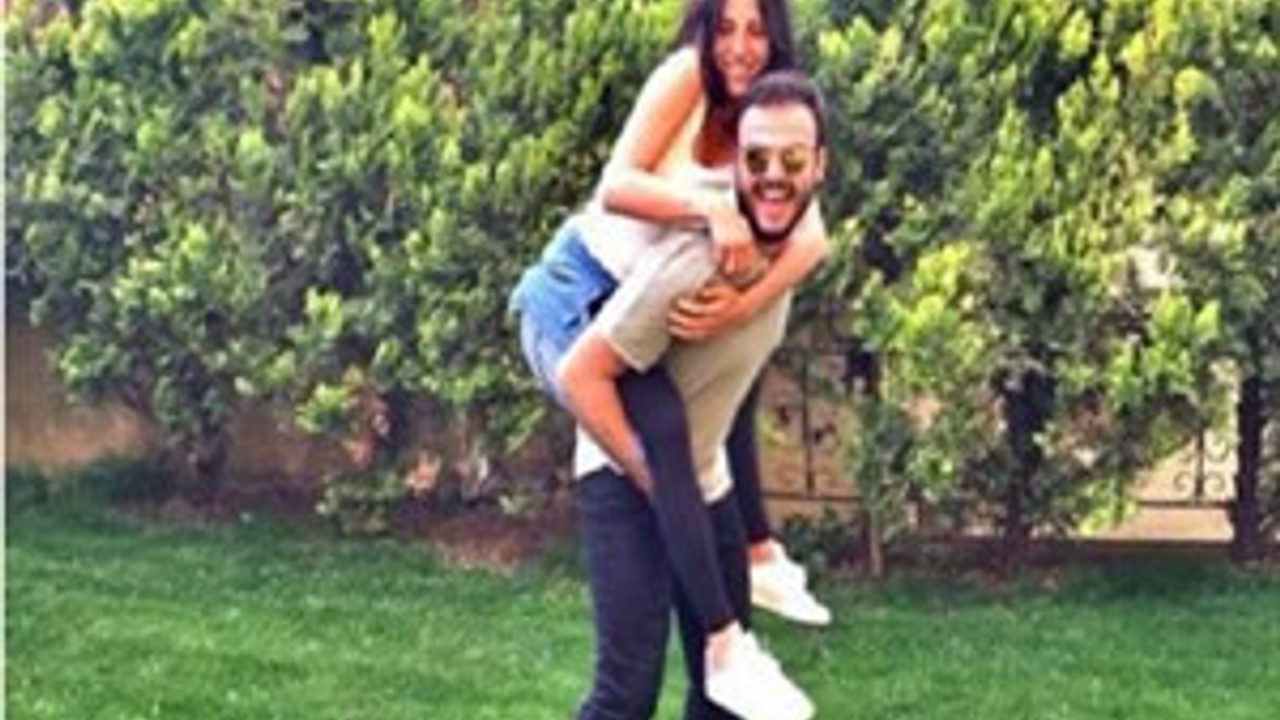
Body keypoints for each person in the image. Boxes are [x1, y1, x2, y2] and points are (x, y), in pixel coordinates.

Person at [514, 0, 829, 634]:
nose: (739, 47)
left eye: (756, 31)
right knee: (662, 452)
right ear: (704, 29)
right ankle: (719, 617)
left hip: (641, 302)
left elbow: (812, 240)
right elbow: (616, 186)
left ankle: (754, 556)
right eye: (726, 28)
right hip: (575, 292)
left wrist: (740, 305)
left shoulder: (765, 115)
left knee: (731, 380)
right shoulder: (687, 75)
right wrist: (710, 210)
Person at [563, 71, 830, 720]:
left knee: (725, 699)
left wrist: (746, 527)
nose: (774, 176)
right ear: (734, 164)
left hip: (705, 484)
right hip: (622, 480)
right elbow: (580, 375)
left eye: (793, 161)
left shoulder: (787, 251)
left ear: (819, 167)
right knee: (626, 696)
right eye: (756, 159)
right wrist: (653, 477)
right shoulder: (696, 260)